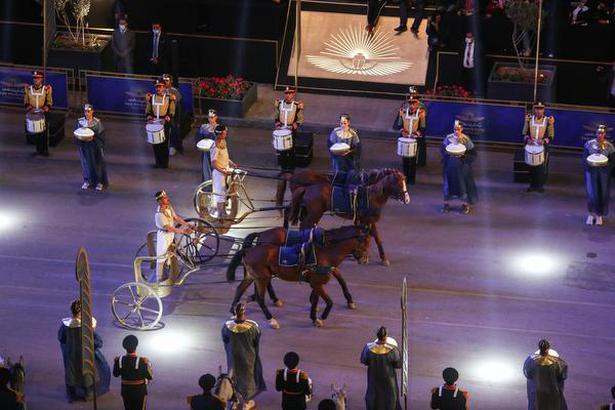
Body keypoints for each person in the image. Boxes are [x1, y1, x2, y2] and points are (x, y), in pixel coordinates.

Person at [58, 300, 111, 402]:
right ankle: (88, 393)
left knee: (72, 374)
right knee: (88, 373)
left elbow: (61, 338)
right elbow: (97, 342)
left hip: (71, 355)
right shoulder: (87, 326)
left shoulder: (66, 326)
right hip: (85, 354)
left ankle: (72, 396)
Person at [221, 303, 266, 405]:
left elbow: (224, 339)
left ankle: (234, 398)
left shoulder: (226, 326)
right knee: (247, 377)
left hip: (232, 356)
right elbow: (256, 341)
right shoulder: (253, 327)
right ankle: (246, 401)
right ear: (244, 312)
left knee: (233, 374)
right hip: (248, 356)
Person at [154, 190, 193, 282]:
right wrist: (183, 232)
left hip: (170, 234)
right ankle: (159, 278)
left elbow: (176, 218)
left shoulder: (169, 207)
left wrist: (187, 224)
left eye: (166, 197)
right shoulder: (159, 214)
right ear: (160, 201)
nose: (167, 199)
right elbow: (168, 228)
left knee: (170, 252)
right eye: (164, 198)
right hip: (164, 236)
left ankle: (167, 273)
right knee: (161, 256)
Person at [360, 326, 402, 410]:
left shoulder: (368, 348)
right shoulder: (393, 349)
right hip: (389, 378)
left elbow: (364, 360)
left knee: (374, 395)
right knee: (390, 397)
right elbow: (398, 364)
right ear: (386, 336)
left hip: (373, 377)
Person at [441, 120, 477, 214]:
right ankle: (446, 204)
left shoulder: (466, 140)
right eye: (455, 129)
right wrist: (448, 154)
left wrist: (464, 156)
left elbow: (473, 154)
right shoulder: (448, 138)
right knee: (448, 184)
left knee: (463, 185)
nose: (456, 131)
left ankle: (465, 205)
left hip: (462, 167)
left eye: (458, 129)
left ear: (462, 129)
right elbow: (442, 150)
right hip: (450, 166)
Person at [523, 339, 568, 410]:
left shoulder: (530, 360)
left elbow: (528, 374)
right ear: (548, 347)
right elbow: (562, 376)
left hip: (536, 389)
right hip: (553, 389)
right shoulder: (557, 362)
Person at [583, 125, 615, 225]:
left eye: (602, 133)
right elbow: (584, 158)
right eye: (598, 133)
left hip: (604, 173)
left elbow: (613, 161)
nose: (600, 135)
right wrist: (589, 166)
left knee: (602, 193)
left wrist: (606, 166)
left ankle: (599, 215)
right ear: (596, 133)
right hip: (591, 171)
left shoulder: (610, 147)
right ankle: (591, 214)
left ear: (605, 134)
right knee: (591, 193)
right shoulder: (589, 144)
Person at [113, 335, 153, 410]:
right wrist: (148, 364)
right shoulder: (142, 361)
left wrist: (116, 362)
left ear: (124, 347)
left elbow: (115, 374)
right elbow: (150, 376)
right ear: (136, 346)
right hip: (139, 391)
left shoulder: (119, 360)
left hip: (126, 390)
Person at [522, 102, 555, 193]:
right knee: (531, 166)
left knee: (541, 167)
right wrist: (528, 139)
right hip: (531, 146)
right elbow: (524, 133)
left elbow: (551, 136)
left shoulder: (548, 120)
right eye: (537, 108)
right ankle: (532, 185)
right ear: (534, 109)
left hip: (542, 147)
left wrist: (544, 141)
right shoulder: (529, 119)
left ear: (543, 110)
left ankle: (539, 186)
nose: (539, 111)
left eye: (541, 109)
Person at [74, 104, 108, 191]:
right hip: (85, 146)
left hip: (95, 146)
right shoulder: (80, 122)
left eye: (88, 111)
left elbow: (102, 135)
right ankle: (87, 181)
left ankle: (99, 182)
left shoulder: (97, 123)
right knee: (85, 163)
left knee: (98, 163)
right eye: (85, 111)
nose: (87, 113)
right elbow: (76, 133)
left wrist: (94, 139)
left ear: (92, 111)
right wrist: (81, 140)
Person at [395, 94, 426, 184]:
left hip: (415, 139)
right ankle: (405, 177)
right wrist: (402, 131)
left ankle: (412, 179)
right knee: (405, 159)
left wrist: (416, 133)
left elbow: (423, 127)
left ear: (417, 104)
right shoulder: (403, 111)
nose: (412, 105)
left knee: (413, 160)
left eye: (414, 103)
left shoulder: (421, 113)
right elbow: (399, 125)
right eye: (410, 103)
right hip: (405, 138)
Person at [145, 78, 176, 169]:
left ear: (164, 87)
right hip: (154, 123)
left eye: (160, 87)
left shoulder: (169, 98)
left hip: (164, 123)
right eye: (157, 87)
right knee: (155, 143)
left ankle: (164, 163)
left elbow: (172, 111)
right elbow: (148, 110)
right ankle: (158, 162)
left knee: (164, 143)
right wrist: (149, 117)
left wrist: (166, 120)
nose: (158, 88)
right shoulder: (151, 98)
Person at [274, 86, 304, 172]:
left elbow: (300, 119)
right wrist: (277, 123)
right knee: (282, 151)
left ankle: (291, 169)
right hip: (281, 130)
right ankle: (283, 169)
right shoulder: (279, 103)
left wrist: (294, 126)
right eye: (286, 93)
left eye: (290, 93)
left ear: (293, 94)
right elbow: (276, 115)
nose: (288, 95)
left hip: (291, 131)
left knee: (291, 151)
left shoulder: (297, 105)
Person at [211, 125, 237, 219]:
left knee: (226, 192)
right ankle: (219, 214)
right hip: (219, 173)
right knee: (220, 194)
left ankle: (224, 211)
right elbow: (213, 163)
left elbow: (225, 156)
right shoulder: (215, 146)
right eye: (225, 132)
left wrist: (231, 163)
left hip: (226, 170)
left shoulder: (223, 142)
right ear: (220, 134)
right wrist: (223, 171)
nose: (226, 133)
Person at [24, 70, 52, 156]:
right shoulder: (29, 89)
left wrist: (45, 108)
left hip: (43, 113)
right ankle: (38, 150)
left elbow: (49, 101)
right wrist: (29, 108)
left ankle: (45, 150)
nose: (36, 80)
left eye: (38, 78)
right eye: (35, 78)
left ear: (42, 79)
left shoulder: (46, 89)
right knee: (36, 133)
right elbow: (26, 101)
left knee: (44, 133)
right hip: (33, 113)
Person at [163, 73, 183, 156]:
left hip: (172, 115)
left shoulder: (175, 91)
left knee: (174, 130)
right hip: (162, 115)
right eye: (163, 80)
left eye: (167, 80)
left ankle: (173, 147)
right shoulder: (160, 89)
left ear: (170, 81)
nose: (165, 82)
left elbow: (178, 105)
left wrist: (177, 118)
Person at [196, 109, 219, 183]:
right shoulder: (204, 127)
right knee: (206, 167)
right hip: (206, 150)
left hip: (216, 151)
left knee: (216, 167)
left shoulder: (219, 128)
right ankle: (207, 184)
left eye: (212, 117)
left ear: (216, 117)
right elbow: (198, 138)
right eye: (209, 117)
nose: (210, 119)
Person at [459, 31, 483, 96]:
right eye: (467, 36)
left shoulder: (478, 46)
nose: (468, 38)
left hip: (473, 68)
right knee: (464, 84)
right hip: (464, 68)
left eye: (470, 36)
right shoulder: (463, 44)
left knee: (473, 84)